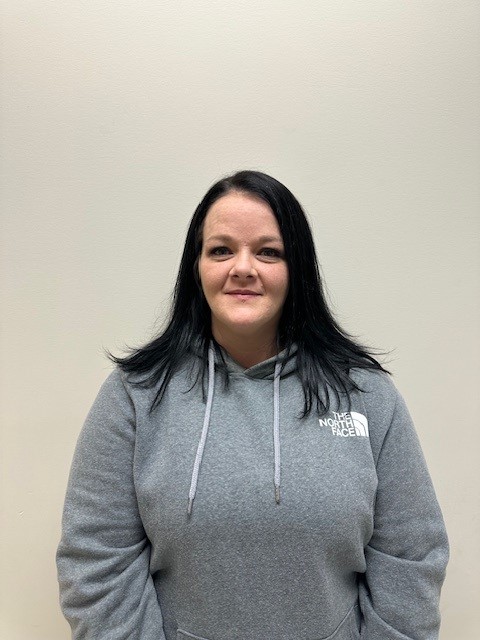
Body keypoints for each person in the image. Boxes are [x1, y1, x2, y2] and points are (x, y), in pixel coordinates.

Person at [57, 170, 449, 640]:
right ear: (196, 267)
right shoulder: (134, 394)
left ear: (296, 269)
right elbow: (96, 563)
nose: (243, 268)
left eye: (268, 252)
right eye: (221, 250)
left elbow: (411, 558)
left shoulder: (366, 394)